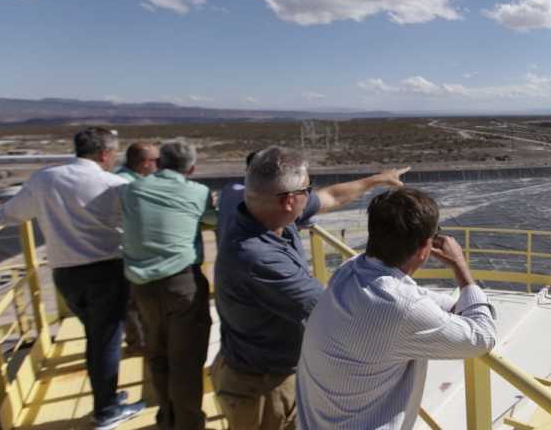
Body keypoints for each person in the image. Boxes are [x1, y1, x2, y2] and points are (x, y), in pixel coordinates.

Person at [212, 146, 408, 430]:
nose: (312, 194)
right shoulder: (257, 257)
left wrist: (378, 179)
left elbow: (332, 196)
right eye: (307, 189)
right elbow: (331, 308)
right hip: (264, 387)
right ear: (290, 200)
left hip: (267, 369)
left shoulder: (267, 216)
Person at [296, 187, 496, 429]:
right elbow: (482, 337)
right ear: (425, 248)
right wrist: (460, 266)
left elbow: (414, 298)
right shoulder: (402, 308)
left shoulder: (349, 270)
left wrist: (457, 304)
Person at [0, 127, 145, 429]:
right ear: (105, 153)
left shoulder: (45, 179)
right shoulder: (114, 184)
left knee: (96, 337)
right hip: (107, 271)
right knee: (105, 341)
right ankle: (106, 411)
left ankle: (108, 395)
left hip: (65, 274)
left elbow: (13, 214)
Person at [120, 141, 216, 430]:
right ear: (192, 168)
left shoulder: (132, 190)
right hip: (181, 284)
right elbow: (212, 220)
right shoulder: (197, 193)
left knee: (158, 353)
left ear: (158, 163)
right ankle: (189, 424)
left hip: (143, 287)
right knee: (185, 360)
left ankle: (167, 417)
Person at [114, 141, 159, 353]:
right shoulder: (125, 184)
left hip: (129, 248)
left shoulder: (126, 178)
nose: (159, 165)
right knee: (132, 301)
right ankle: (139, 343)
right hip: (126, 249)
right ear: (144, 163)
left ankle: (140, 340)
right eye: (155, 161)